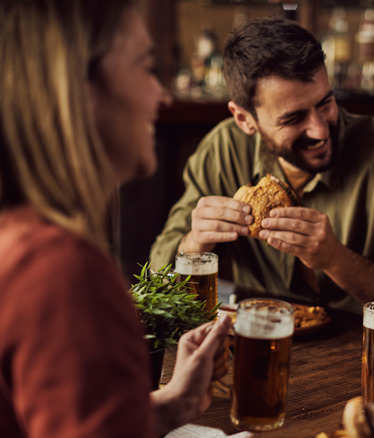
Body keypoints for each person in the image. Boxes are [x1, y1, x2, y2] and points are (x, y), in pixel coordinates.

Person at [0, 1, 231, 437]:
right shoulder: (60, 269)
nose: (162, 96)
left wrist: (174, 403)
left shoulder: (18, 237)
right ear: (78, 88)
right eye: (145, 67)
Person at [150, 17, 374, 314]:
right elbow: (157, 277)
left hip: (360, 344)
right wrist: (196, 241)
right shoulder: (223, 149)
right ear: (244, 120)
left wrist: (334, 259)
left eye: (326, 103)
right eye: (293, 118)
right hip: (255, 337)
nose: (320, 130)